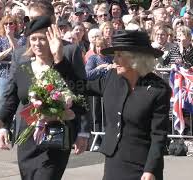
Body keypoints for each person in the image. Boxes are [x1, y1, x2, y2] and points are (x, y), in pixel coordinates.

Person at [0, 16, 89, 180]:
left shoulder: (62, 67)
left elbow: (81, 98)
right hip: (27, 140)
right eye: (33, 39)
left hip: (55, 139)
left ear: (52, 40)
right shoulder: (23, 69)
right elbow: (9, 104)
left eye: (42, 39)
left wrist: (59, 57)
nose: (37, 43)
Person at [53, 29, 171, 180]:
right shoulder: (111, 78)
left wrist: (151, 169)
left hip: (143, 164)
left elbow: (159, 135)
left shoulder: (158, 89)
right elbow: (79, 86)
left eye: (119, 55)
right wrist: (59, 59)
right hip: (114, 161)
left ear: (135, 58)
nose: (114, 61)